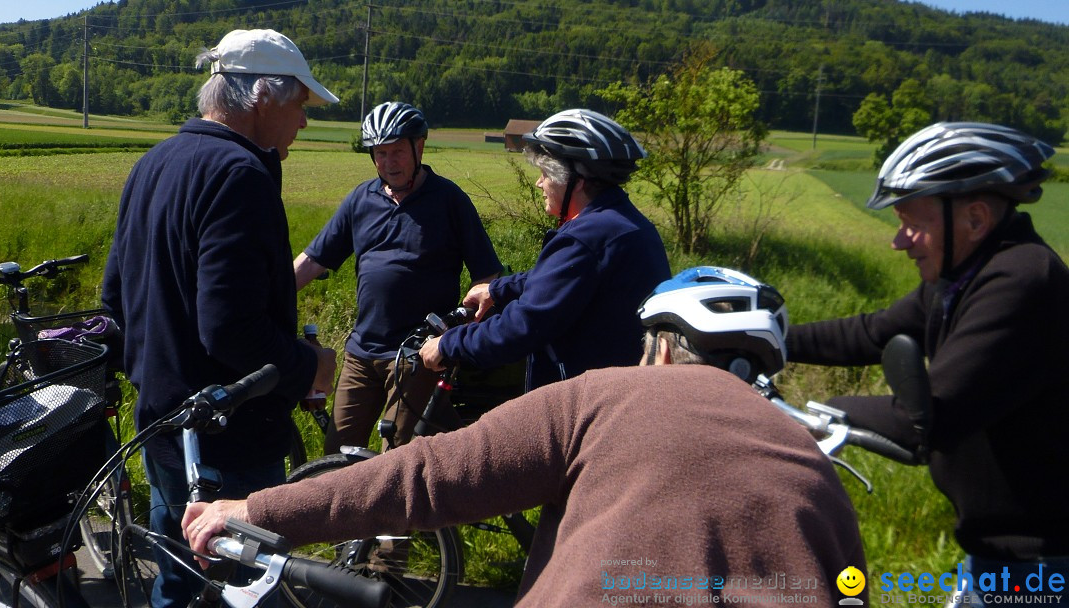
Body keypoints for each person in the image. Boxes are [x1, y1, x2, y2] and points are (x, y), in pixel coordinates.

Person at [183, 267, 866, 608]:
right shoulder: (811, 462)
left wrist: (258, 509)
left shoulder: (604, 395)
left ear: (660, 349)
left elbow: (427, 477)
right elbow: (851, 588)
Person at [784, 122, 1069, 605]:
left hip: (1038, 570)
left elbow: (927, 418)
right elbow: (872, 332)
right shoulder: (962, 276)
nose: (900, 241)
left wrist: (816, 414)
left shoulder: (1021, 282)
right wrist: (766, 339)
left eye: (912, 223)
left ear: (975, 219)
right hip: (1000, 558)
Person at [101, 28, 338, 607]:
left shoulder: (154, 162)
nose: (303, 122)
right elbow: (230, 327)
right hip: (226, 439)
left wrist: (149, 380)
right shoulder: (240, 175)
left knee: (179, 579)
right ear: (263, 97)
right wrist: (309, 364)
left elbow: (116, 298)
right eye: (300, 104)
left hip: (161, 423)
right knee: (244, 591)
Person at [293, 101, 502, 451]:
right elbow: (312, 261)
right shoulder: (361, 199)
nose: (388, 163)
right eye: (380, 154)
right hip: (362, 352)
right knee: (335, 455)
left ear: (418, 147)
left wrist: (460, 324)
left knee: (401, 455)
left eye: (397, 152)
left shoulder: (449, 200)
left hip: (416, 353)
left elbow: (487, 274)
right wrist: (265, 299)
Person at [419, 108, 671, 390]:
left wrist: (449, 344)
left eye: (544, 174)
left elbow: (522, 327)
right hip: (623, 389)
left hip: (585, 403)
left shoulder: (585, 238)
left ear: (576, 180)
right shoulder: (623, 223)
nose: (539, 183)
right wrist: (496, 289)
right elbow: (558, 277)